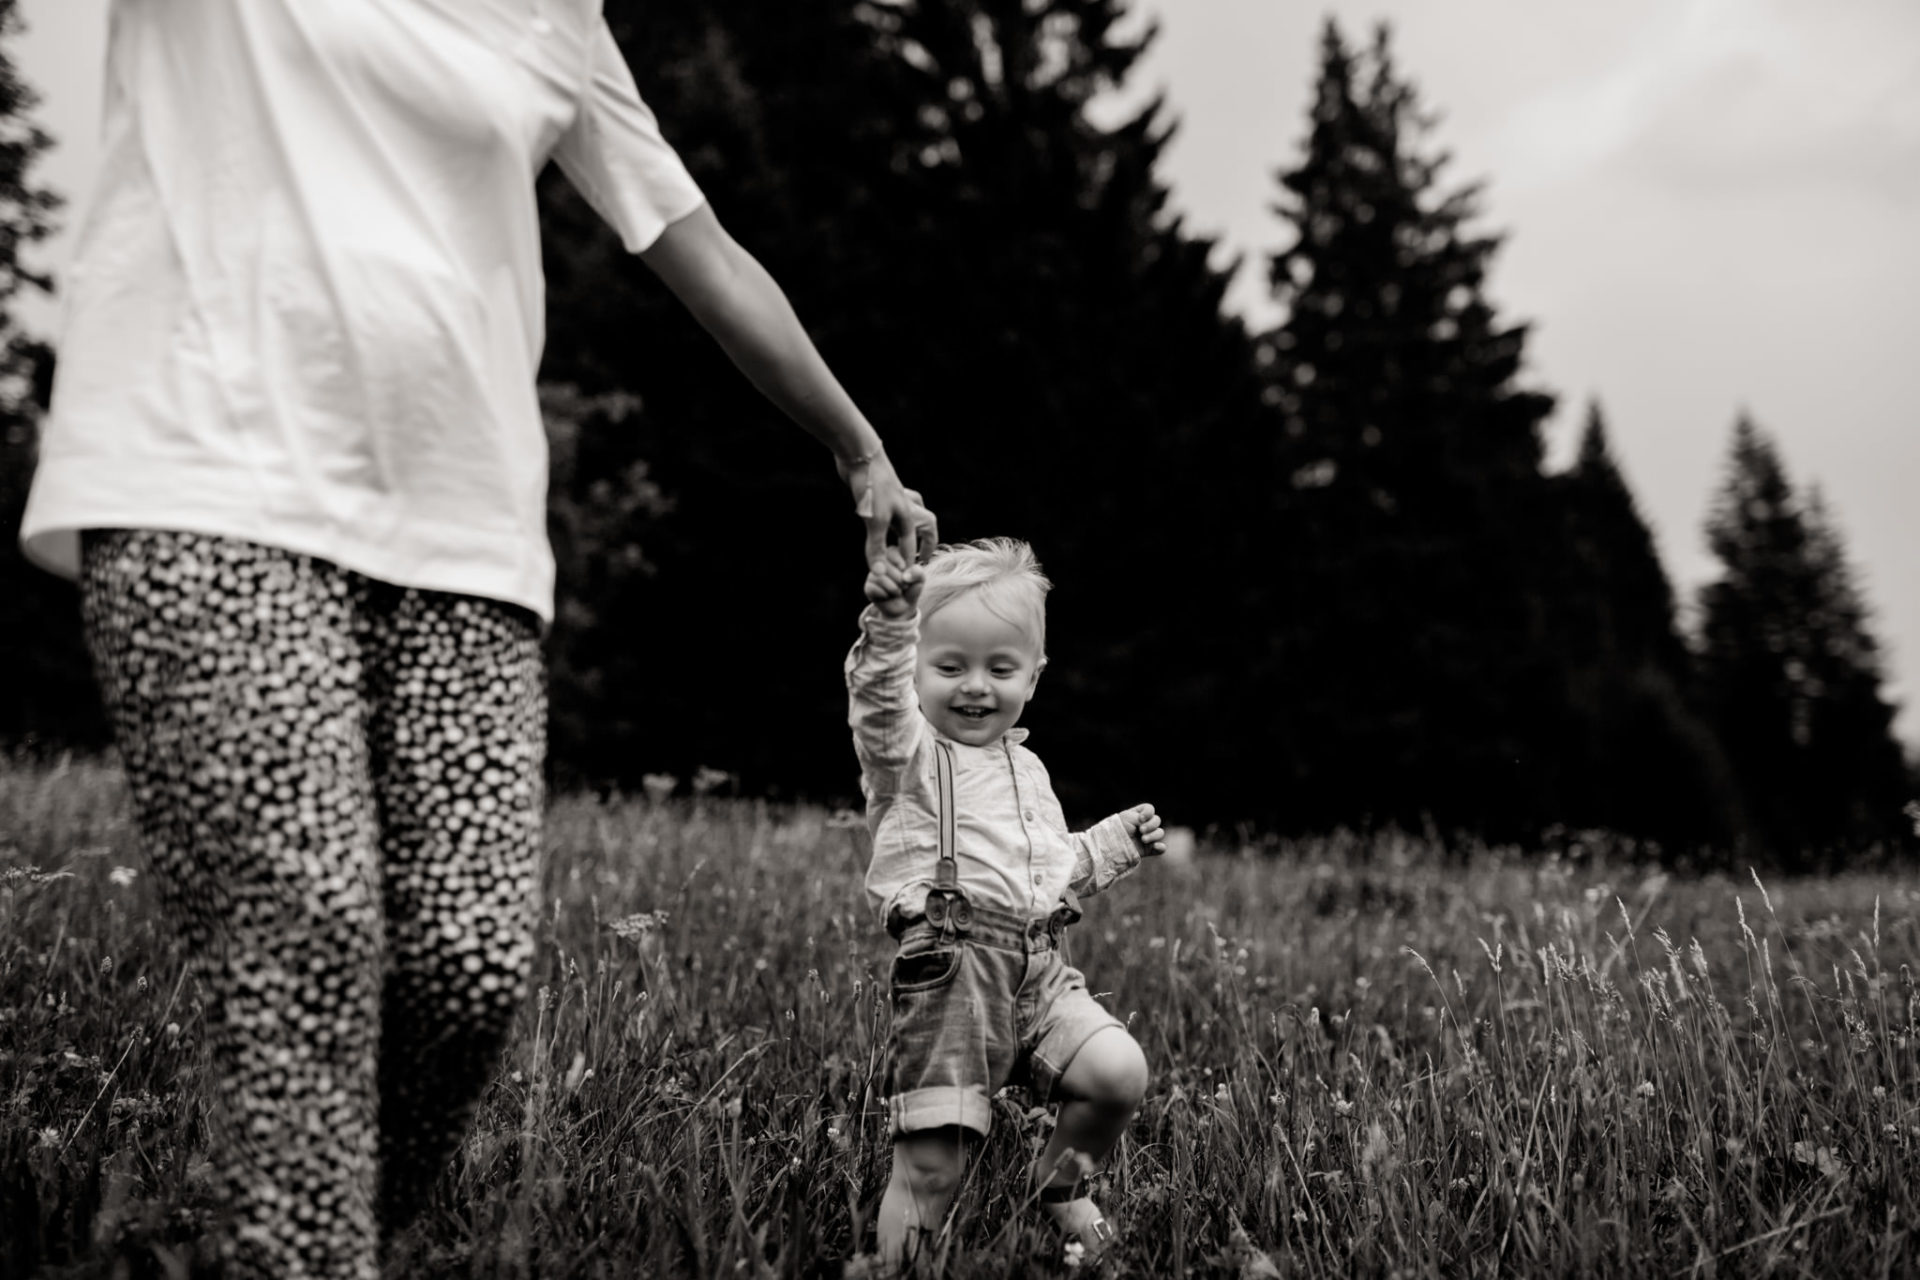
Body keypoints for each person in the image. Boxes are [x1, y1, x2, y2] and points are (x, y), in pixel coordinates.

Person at [19, 5, 935, 1278]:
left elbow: (704, 249)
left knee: (466, 967)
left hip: (464, 542)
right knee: (309, 928)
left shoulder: (559, 16)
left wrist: (861, 449)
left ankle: (252, 1244)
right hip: (207, 486)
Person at [845, 537, 1165, 1272]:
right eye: (949, 666)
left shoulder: (1028, 768)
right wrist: (890, 620)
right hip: (952, 977)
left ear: (1034, 676)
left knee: (1117, 1073)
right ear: (914, 666)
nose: (974, 687)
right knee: (934, 1165)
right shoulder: (910, 757)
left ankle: (1060, 1182)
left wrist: (1115, 842)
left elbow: (1049, 867)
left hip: (1040, 969)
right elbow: (877, 700)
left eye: (999, 668)